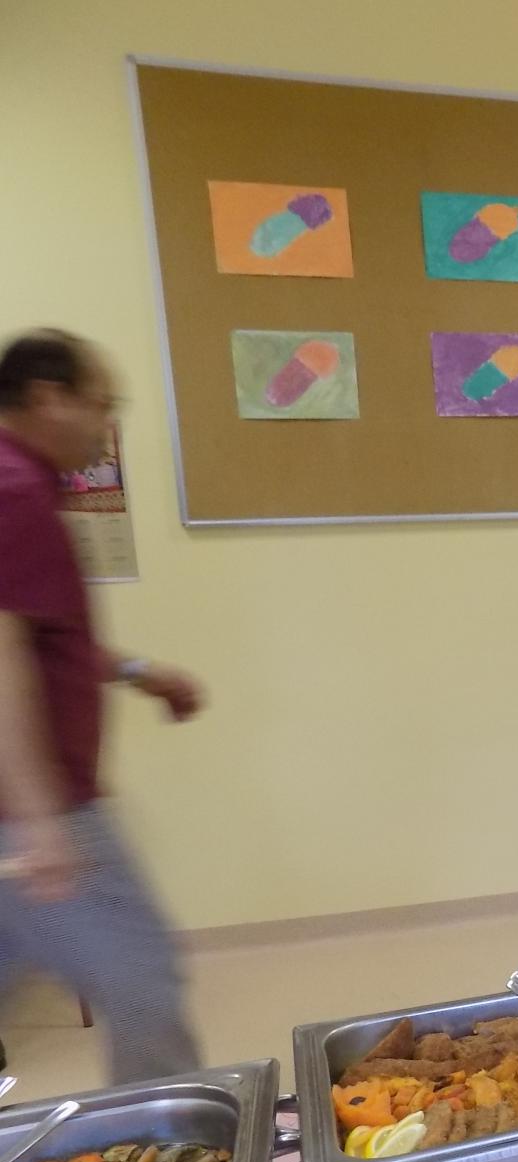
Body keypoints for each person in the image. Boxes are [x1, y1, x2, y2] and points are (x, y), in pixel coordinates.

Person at [0, 329, 204, 1083]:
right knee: (143, 977)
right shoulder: (15, 494)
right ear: (49, 398)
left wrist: (139, 671)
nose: (106, 425)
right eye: (101, 404)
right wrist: (40, 819)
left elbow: (43, 637)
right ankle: (166, 1143)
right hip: (38, 809)